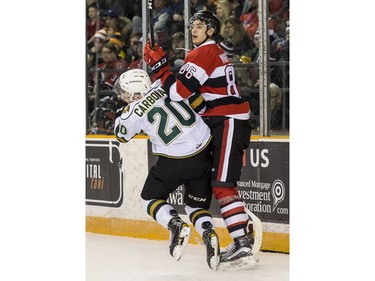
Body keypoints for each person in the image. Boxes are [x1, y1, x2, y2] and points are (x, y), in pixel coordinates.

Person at [143, 10, 255, 264]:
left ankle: (241, 242)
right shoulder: (210, 53)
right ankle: (242, 234)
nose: (194, 29)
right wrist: (164, 69)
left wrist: (161, 69)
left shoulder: (204, 52)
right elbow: (199, 103)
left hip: (228, 122)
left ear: (211, 31)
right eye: (192, 25)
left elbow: (178, 93)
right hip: (223, 121)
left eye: (200, 25)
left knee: (222, 186)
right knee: (221, 185)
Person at [113, 69, 221, 270]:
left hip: (174, 159)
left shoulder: (133, 110)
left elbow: (121, 136)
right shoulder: (165, 84)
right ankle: (209, 233)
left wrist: (121, 114)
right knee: (196, 207)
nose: (123, 96)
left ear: (134, 91)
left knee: (150, 198)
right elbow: (194, 98)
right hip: (203, 151)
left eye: (125, 92)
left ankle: (174, 224)